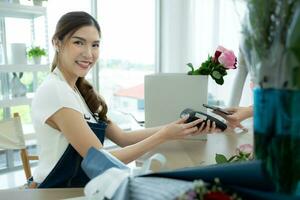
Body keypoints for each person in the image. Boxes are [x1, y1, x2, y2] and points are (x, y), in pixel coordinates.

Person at [31, 11, 217, 188]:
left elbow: (123, 138)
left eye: (95, 45)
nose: (89, 53)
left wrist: (179, 127)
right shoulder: (55, 91)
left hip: (83, 184)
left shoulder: (77, 91)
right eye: (79, 43)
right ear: (57, 43)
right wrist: (164, 135)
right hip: (59, 191)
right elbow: (102, 160)